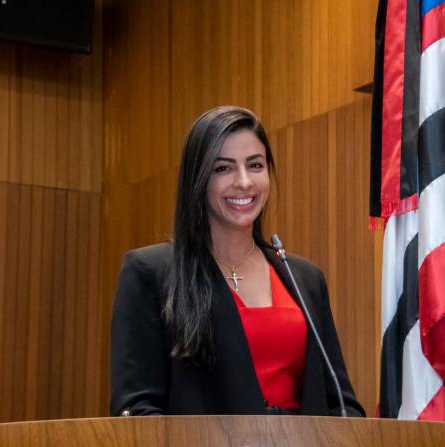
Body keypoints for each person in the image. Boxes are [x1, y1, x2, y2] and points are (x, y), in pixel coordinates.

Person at [110, 106, 365, 417]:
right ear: (197, 178)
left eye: (255, 165)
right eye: (223, 169)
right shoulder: (151, 272)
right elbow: (138, 410)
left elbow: (341, 404)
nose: (244, 182)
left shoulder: (305, 278)